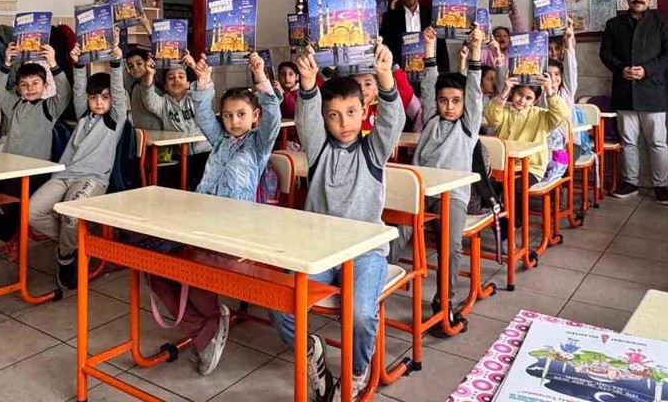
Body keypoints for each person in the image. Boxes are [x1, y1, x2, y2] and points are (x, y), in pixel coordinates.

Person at [270, 41, 403, 402]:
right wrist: (309, 85)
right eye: (334, 115)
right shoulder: (320, 150)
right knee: (280, 302)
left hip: (365, 252)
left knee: (360, 315)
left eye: (351, 112)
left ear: (365, 111)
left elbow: (394, 120)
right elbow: (307, 120)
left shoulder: (373, 151)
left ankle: (357, 371)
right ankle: (311, 352)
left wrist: (386, 77)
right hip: (320, 250)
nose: (343, 123)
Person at [145, 52, 282, 377]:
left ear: (255, 117)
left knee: (191, 268)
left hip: (234, 229)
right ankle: (207, 321)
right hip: (200, 221)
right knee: (152, 265)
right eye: (228, 115)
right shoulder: (220, 141)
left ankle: (207, 325)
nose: (234, 121)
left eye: (241, 114)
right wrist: (203, 82)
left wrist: (261, 77)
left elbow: (274, 117)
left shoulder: (258, 146)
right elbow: (204, 115)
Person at [390, 27, 484, 329]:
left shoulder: (468, 125)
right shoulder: (431, 118)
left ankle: (445, 301)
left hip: (453, 194)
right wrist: (429, 49)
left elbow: (475, 90)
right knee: (395, 230)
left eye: (455, 101)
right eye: (444, 101)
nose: (449, 106)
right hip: (420, 190)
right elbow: (429, 85)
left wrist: (477, 49)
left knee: (450, 246)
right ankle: (378, 283)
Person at [30, 45, 127, 290]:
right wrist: (77, 64)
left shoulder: (115, 119)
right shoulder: (83, 115)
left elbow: (117, 87)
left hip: (92, 179)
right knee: (32, 212)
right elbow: (78, 88)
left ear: (113, 100)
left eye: (104, 97)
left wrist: (116, 62)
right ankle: (75, 244)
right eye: (94, 97)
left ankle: (65, 256)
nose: (98, 102)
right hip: (63, 175)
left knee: (71, 217)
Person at [0, 42, 71, 255]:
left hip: (36, 172)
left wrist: (53, 63)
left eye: (35, 83)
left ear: (44, 86)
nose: (30, 88)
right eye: (24, 84)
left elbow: (66, 92)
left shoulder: (49, 108)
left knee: (11, 201)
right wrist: (6, 63)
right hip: (10, 169)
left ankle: (16, 237)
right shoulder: (13, 105)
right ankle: (11, 235)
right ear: (17, 88)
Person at [599, 0, 668, 205]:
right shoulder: (614, 24)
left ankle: (661, 186)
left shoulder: (662, 22)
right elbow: (605, 53)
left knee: (657, 142)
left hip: (654, 91)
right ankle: (630, 182)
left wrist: (647, 70)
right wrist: (620, 68)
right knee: (628, 141)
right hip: (625, 91)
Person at [133, 53, 213, 187]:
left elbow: (206, 93)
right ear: (165, 86)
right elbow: (149, 100)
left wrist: (194, 67)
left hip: (204, 152)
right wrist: (150, 75)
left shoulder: (195, 97)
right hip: (179, 155)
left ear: (188, 83)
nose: (176, 80)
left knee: (204, 187)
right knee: (177, 187)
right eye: (171, 78)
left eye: (181, 77)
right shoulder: (163, 103)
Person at [484, 72, 569, 187]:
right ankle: (498, 203)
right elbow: (492, 118)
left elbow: (562, 113)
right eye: (519, 94)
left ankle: (503, 203)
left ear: (535, 101)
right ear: (513, 93)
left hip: (531, 168)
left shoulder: (541, 115)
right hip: (504, 165)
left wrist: (549, 92)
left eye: (528, 98)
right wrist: (505, 91)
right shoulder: (504, 111)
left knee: (513, 187)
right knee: (486, 184)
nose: (522, 100)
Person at [380, 0, 450, 72]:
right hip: (401, 73)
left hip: (430, 70)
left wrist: (444, 73)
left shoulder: (432, 15)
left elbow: (441, 48)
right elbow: (387, 47)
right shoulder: (390, 17)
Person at [124, 46, 163, 129]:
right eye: (131, 66)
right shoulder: (132, 85)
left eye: (139, 63)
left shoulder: (159, 82)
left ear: (147, 63)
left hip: (161, 134)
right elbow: (120, 67)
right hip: (141, 135)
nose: (135, 68)